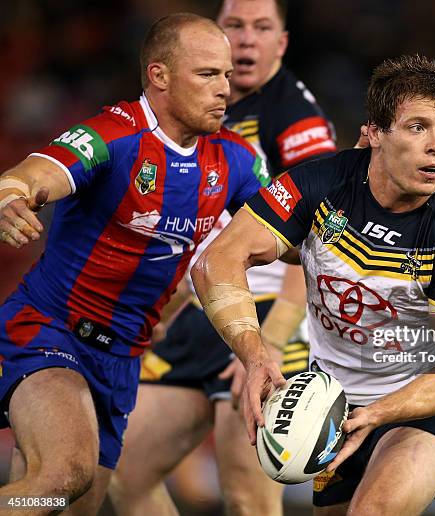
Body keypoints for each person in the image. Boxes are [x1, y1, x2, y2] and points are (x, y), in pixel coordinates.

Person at [192, 54, 435, 515]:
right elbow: (217, 259)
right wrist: (255, 356)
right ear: (374, 132)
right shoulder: (319, 184)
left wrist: (375, 415)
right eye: (418, 127)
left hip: (421, 411)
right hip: (331, 404)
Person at [0, 13, 270, 515]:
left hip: (122, 360)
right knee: (65, 475)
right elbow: (33, 174)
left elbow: (292, 233)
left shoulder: (235, 160)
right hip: (51, 333)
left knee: (47, 496)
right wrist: (11, 197)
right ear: (160, 75)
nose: (224, 90)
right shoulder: (112, 136)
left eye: (228, 76)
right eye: (207, 74)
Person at [109, 1, 336, 515]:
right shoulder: (210, 106)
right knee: (126, 475)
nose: (248, 39)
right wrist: (167, 307)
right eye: (235, 26)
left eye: (263, 28)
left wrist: (271, 342)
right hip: (208, 309)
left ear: (282, 42)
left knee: (248, 497)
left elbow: (322, 240)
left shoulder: (298, 122)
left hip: (273, 316)